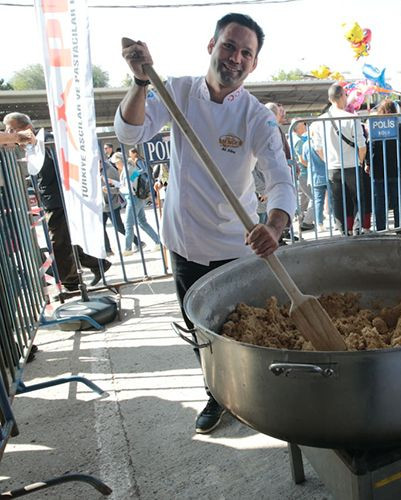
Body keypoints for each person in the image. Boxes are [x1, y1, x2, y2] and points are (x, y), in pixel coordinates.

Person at [115, 12, 296, 434]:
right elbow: (128, 134)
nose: (235, 58)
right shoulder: (174, 90)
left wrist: (274, 226)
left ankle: (252, 395)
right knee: (201, 332)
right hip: (186, 242)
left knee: (245, 330)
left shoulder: (257, 117)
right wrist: (141, 81)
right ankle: (216, 395)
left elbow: (281, 178)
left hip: (239, 246)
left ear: (253, 65)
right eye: (229, 46)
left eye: (245, 53)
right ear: (211, 46)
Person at [3, 112, 112, 289]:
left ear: (27, 128)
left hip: (59, 199)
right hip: (53, 198)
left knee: (59, 241)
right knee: (67, 239)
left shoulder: (47, 141)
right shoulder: (35, 143)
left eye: (11, 129)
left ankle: (70, 282)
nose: (9, 132)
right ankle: (97, 264)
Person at [310, 83, 372, 235]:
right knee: (358, 198)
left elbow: (317, 148)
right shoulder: (351, 118)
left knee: (339, 201)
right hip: (352, 165)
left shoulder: (319, 121)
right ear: (341, 96)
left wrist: (328, 160)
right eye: (345, 95)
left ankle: (344, 230)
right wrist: (360, 160)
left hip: (333, 167)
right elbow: (361, 145)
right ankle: (359, 228)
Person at [370, 99, 401, 230]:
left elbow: (372, 147)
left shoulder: (375, 127)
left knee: (380, 201)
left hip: (379, 170)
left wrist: (368, 163)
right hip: (398, 169)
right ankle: (399, 227)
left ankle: (381, 228)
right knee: (399, 199)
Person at [120, 148, 161, 255]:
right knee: (142, 222)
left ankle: (127, 249)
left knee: (129, 224)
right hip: (136, 198)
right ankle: (158, 241)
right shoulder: (130, 168)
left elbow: (129, 185)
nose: (115, 164)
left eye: (116, 162)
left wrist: (118, 187)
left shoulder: (128, 169)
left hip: (133, 198)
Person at [290, 120, 315, 231]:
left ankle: (299, 219)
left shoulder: (292, 138)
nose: (305, 125)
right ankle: (307, 222)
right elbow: (302, 160)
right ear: (297, 127)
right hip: (303, 172)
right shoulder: (298, 141)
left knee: (303, 198)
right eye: (303, 124)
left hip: (298, 173)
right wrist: (312, 166)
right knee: (315, 198)